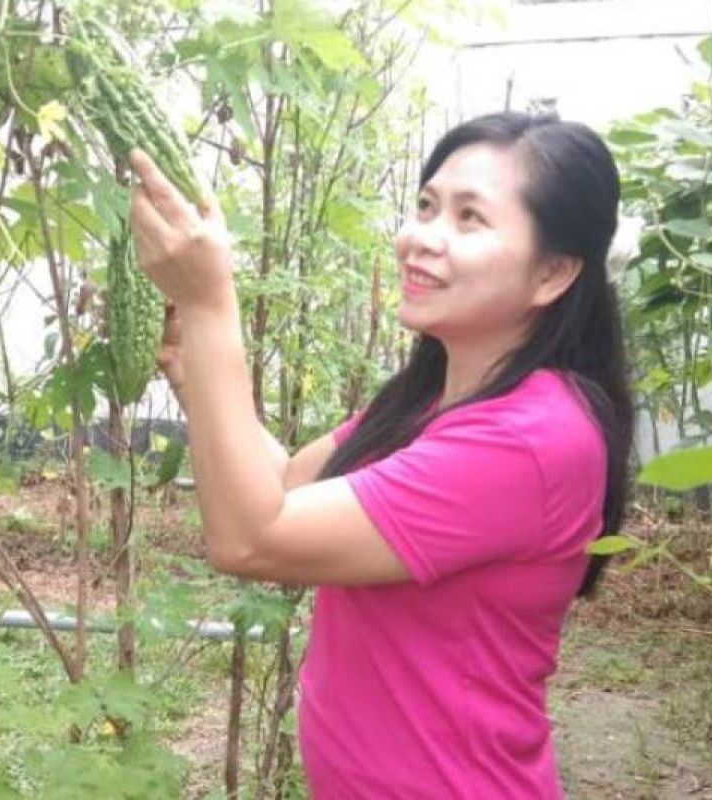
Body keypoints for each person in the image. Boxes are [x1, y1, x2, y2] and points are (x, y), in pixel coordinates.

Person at [126, 110, 634, 799]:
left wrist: (212, 304)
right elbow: (281, 485)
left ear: (552, 273)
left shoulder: (529, 439)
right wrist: (198, 374)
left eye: (468, 219)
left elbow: (252, 538)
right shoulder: (436, 399)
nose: (421, 238)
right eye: (425, 206)